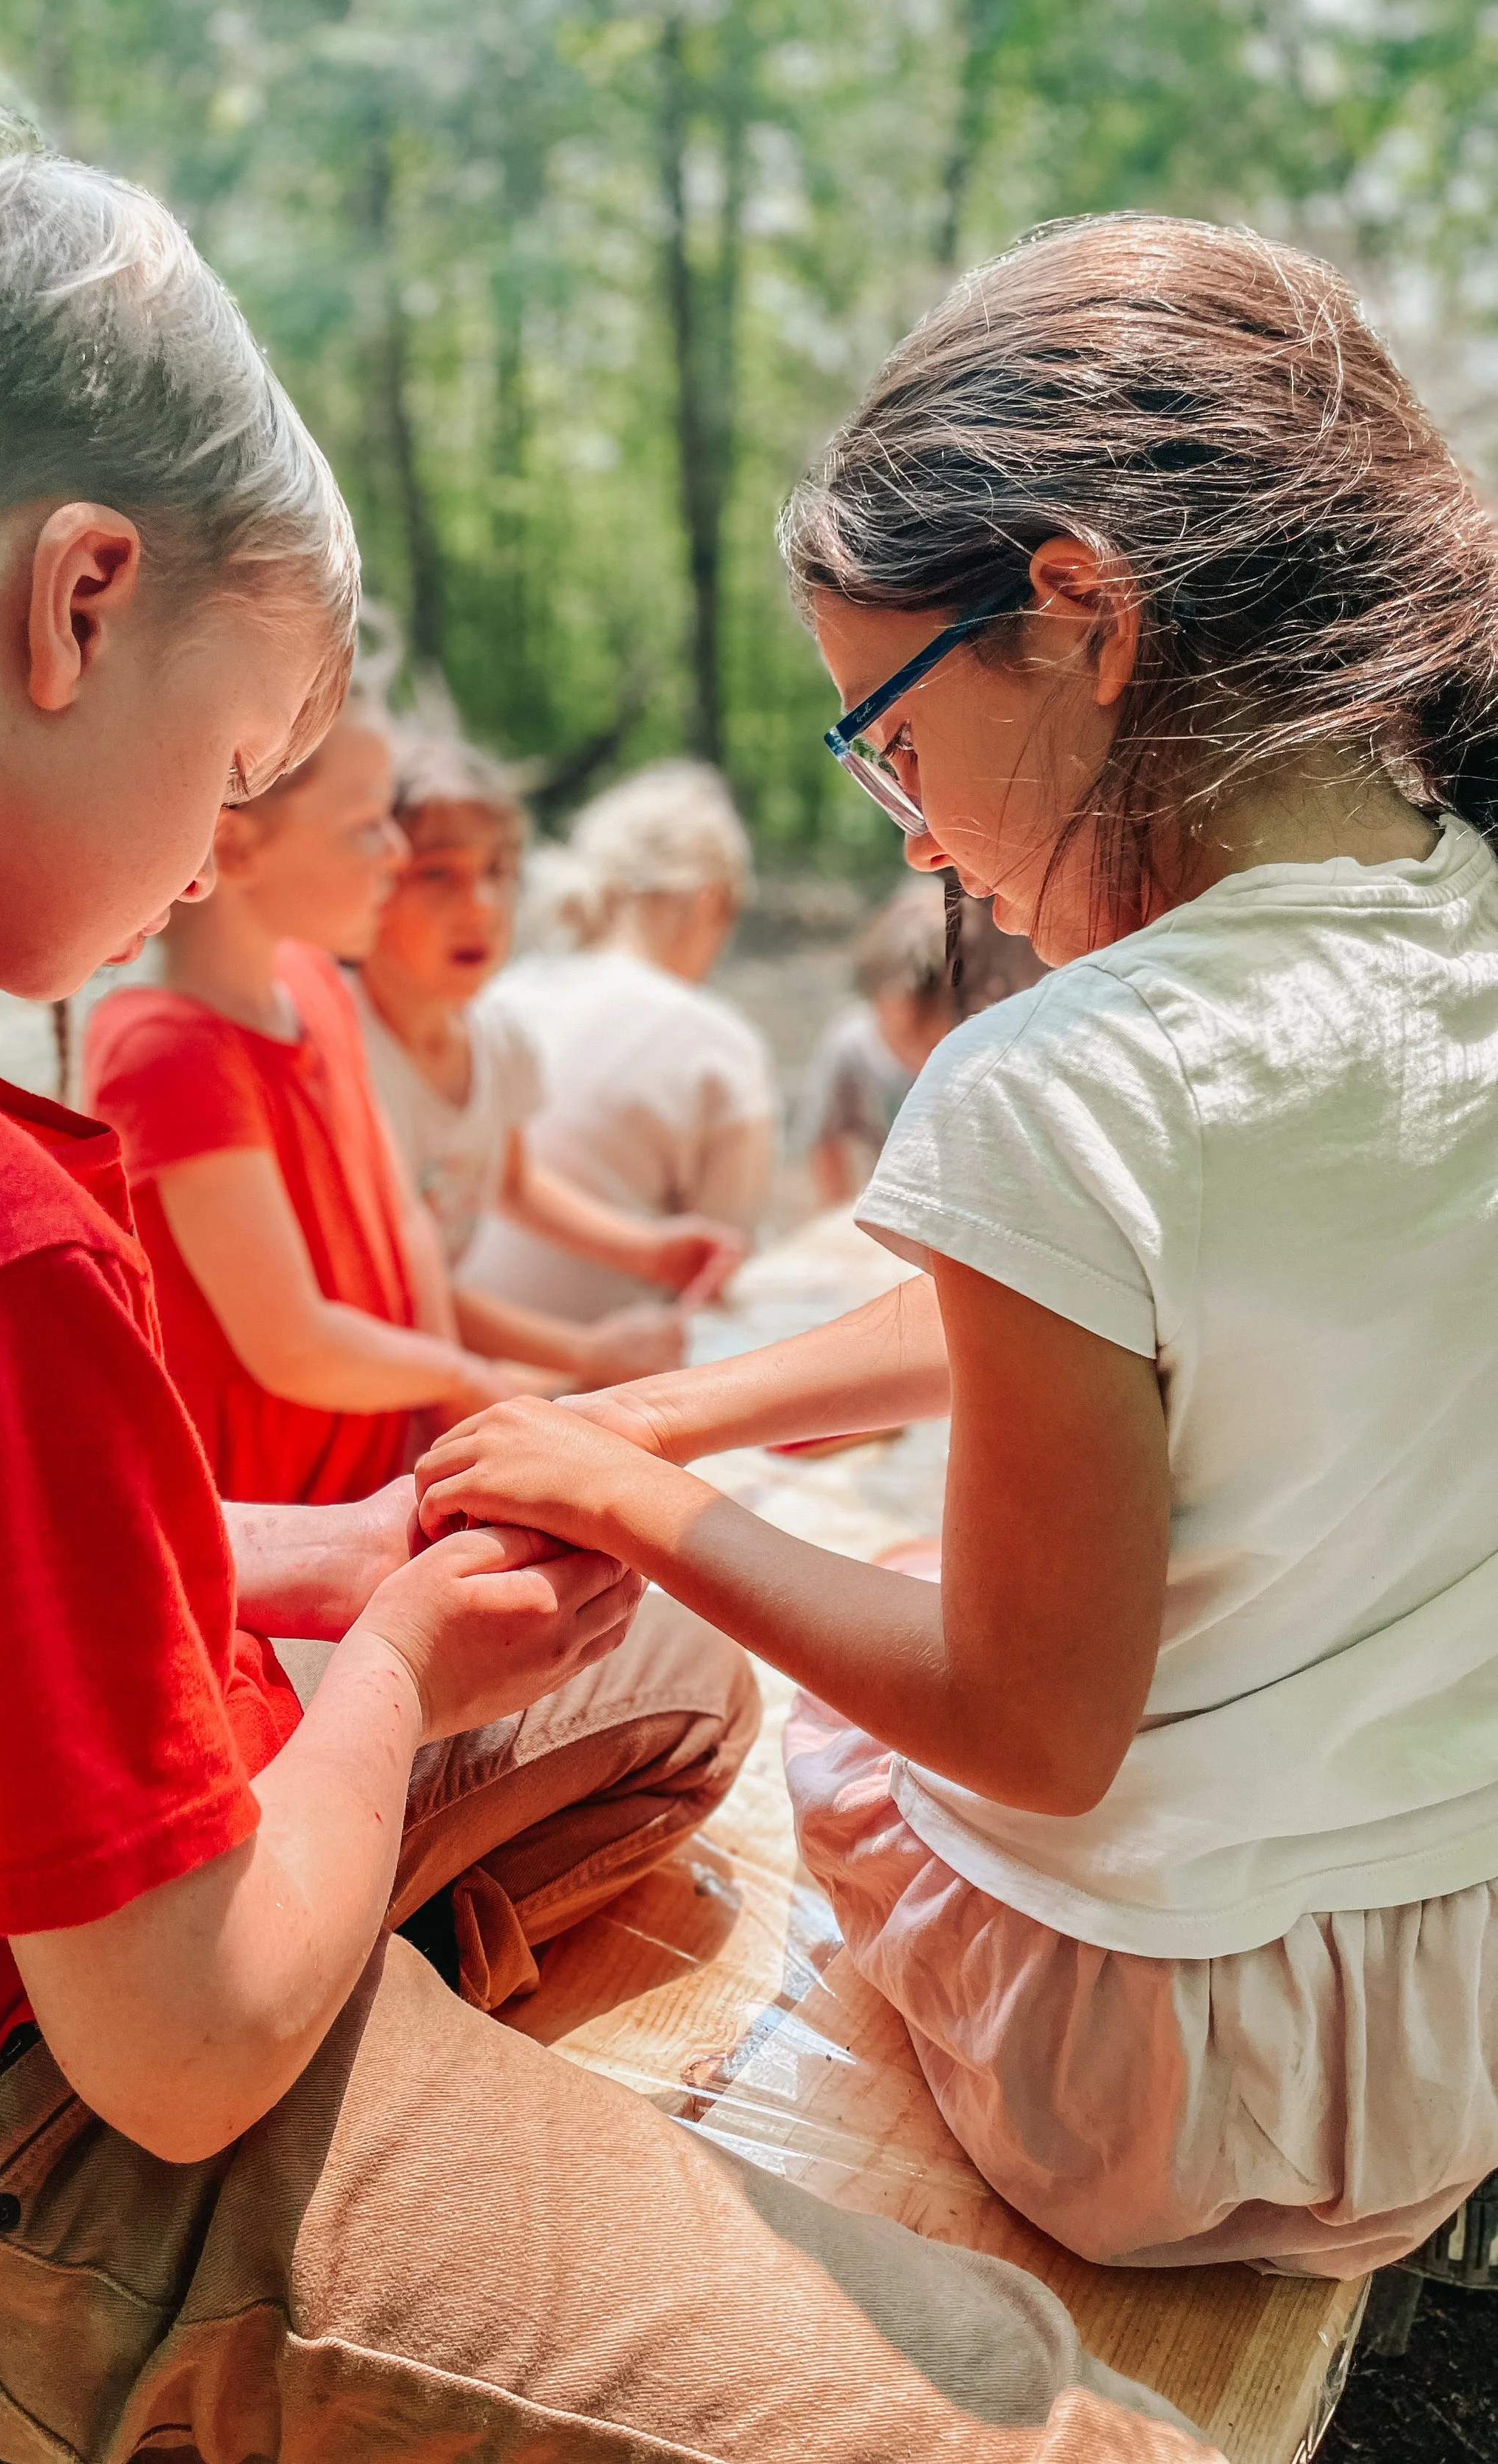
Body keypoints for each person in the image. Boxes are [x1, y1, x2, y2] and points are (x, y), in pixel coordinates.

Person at [0, 106, 1213, 2464]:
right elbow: (173, 2045)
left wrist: (335, 1549)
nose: (214, 848)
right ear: (81, 599)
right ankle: (200, 2289)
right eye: (249, 751)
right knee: (1005, 2407)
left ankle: (386, 2147)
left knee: (676, 1656)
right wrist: (379, 1663)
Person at [415, 212, 1498, 2286]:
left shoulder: (1059, 1076)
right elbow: (1130, 1308)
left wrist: (641, 1502)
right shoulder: (1454, 921)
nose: (910, 833)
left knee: (844, 1692)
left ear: (1080, 613)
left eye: (886, 734)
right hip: (1439, 2036)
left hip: (1154, 2097)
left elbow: (1023, 1721)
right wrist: (687, 1399)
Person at [83, 701, 543, 1506]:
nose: (396, 854)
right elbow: (292, 1343)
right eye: (367, 824)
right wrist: (465, 1378)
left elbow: (402, 1221)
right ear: (235, 847)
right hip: (272, 1535)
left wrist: (445, 1419)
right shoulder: (168, 1050)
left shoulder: (315, 981)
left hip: (382, 1479)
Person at [356, 730, 746, 1391]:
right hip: (369, 1382)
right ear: (368, 879)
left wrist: (647, 1249)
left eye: (498, 872)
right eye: (437, 873)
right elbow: (391, 1285)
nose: (479, 904)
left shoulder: (497, 1037)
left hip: (438, 1376)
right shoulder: (347, 1049)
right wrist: (585, 1353)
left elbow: (512, 1183)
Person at [461, 759, 777, 1320]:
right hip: (606, 1385)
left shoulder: (497, 997)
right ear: (708, 901)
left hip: (467, 1349)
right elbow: (718, 1271)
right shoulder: (720, 1046)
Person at [797, 878, 955, 1206]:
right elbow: (824, 1147)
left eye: (926, 1036)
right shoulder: (852, 1045)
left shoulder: (978, 1055)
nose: (916, 1054)